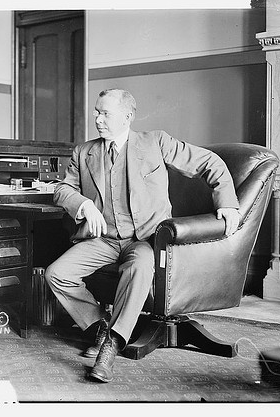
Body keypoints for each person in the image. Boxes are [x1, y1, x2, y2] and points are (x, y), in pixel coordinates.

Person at [45, 89, 240, 382]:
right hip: (104, 240)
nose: (97, 119)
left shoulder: (155, 142)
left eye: (105, 113)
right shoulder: (84, 152)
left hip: (146, 240)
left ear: (128, 116)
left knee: (138, 266)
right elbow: (62, 189)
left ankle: (111, 345)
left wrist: (227, 203)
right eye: (96, 112)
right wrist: (83, 204)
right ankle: (98, 328)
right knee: (57, 273)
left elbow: (209, 163)